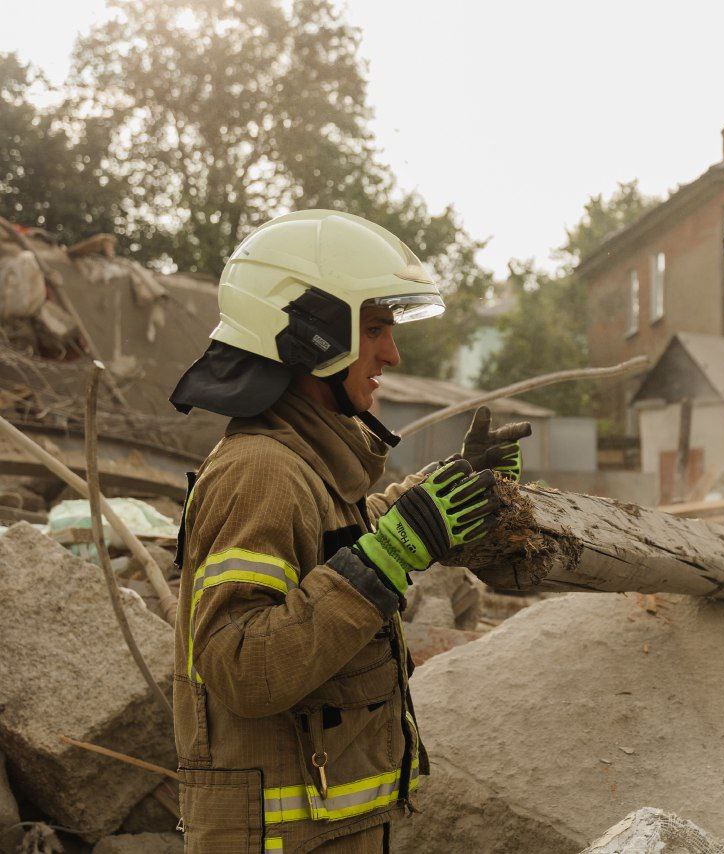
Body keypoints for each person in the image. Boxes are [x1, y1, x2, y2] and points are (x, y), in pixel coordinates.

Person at [168, 209, 530, 852]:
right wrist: (388, 558)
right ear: (313, 334)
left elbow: (342, 547)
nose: (392, 353)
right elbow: (240, 667)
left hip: (317, 830)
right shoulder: (260, 472)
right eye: (375, 329)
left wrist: (446, 491)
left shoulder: (307, 464)